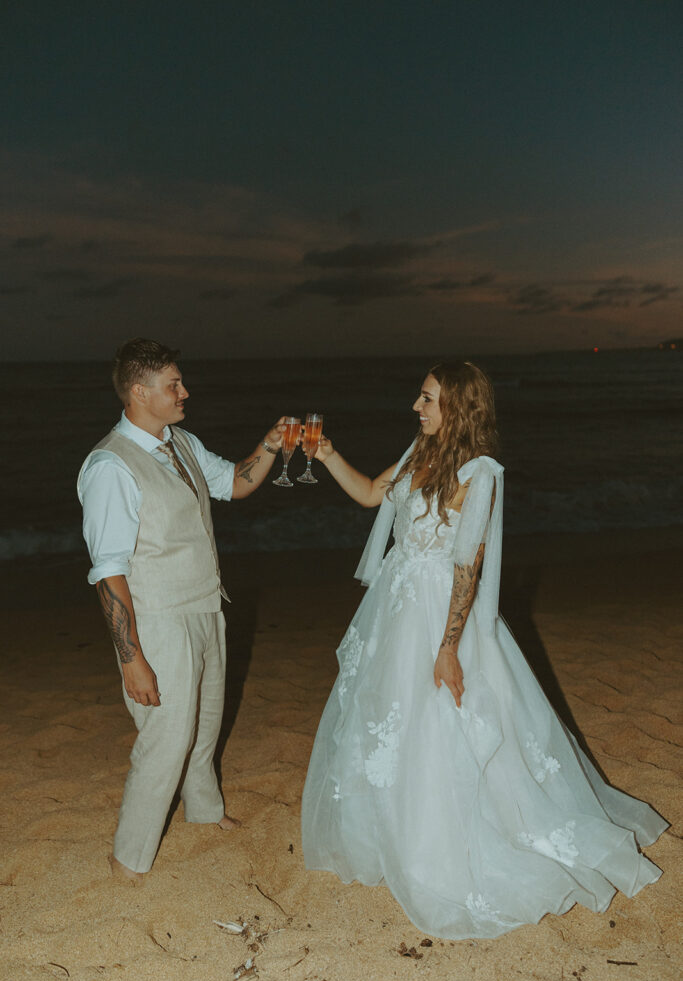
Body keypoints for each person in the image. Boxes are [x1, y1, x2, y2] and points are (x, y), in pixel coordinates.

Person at [301, 361, 667, 939]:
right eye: (419, 397)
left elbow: (467, 566)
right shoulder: (419, 453)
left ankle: (439, 837)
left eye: (426, 399)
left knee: (444, 721)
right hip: (397, 607)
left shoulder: (480, 472)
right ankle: (386, 830)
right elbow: (372, 494)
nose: (415, 408)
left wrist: (448, 649)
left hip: (439, 615)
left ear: (458, 407)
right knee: (386, 718)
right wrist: (322, 454)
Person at [78, 338, 290, 882]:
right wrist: (132, 658)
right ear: (138, 391)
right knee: (166, 737)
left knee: (204, 723)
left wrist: (269, 444)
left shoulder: (181, 442)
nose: (184, 392)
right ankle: (129, 856)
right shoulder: (110, 466)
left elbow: (235, 484)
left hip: (205, 606)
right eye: (173, 384)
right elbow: (108, 570)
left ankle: (204, 811)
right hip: (158, 618)